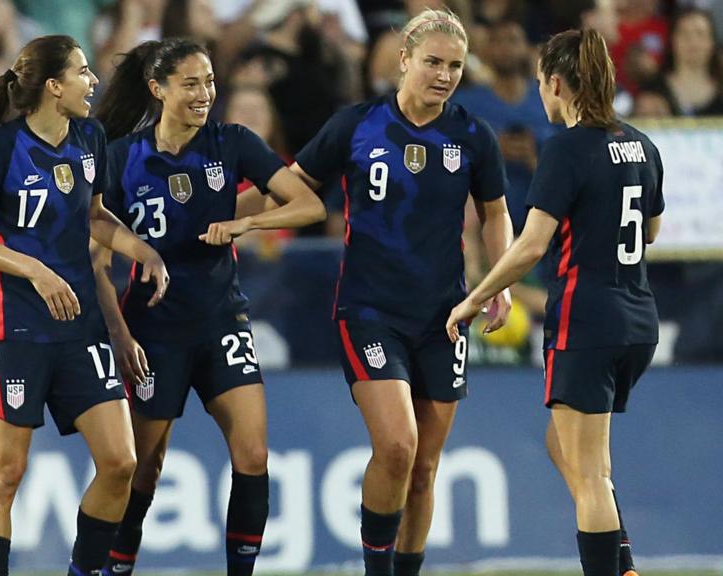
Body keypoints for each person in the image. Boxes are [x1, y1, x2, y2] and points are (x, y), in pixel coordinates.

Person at [0, 35, 169, 576]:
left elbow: (96, 216)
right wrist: (35, 271)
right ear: (53, 86)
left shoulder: (89, 137)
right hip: (16, 332)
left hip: (81, 330)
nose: (93, 83)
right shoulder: (0, 149)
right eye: (83, 73)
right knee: (7, 473)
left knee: (120, 464)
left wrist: (143, 251)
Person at [290, 9, 513, 576]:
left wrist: (499, 281)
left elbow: (495, 215)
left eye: (455, 66)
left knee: (425, 468)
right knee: (396, 445)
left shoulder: (471, 135)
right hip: (369, 310)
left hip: (444, 316)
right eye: (433, 62)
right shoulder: (356, 125)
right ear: (404, 60)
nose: (443, 74)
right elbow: (289, 186)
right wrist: (222, 216)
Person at [93, 38, 326, 576]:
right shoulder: (123, 156)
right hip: (154, 329)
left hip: (223, 319)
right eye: (191, 83)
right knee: (143, 470)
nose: (205, 94)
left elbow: (308, 203)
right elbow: (93, 234)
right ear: (158, 89)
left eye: (210, 82)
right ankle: (116, 568)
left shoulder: (233, 143)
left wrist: (249, 222)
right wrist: (122, 325)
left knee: (253, 457)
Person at [447, 28, 662, 576]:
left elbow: (532, 244)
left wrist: (476, 296)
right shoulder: (641, 143)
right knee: (564, 447)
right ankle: (624, 561)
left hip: (584, 319)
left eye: (543, 81)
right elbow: (652, 230)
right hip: (637, 317)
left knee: (590, 472)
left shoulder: (565, 147)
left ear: (558, 84)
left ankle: (613, 569)